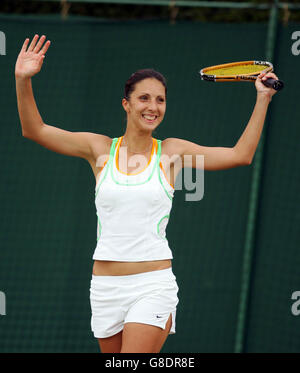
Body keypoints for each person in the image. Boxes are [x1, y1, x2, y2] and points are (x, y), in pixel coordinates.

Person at [15, 35, 278, 353]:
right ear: (126, 104)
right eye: (144, 99)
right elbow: (35, 129)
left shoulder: (173, 153)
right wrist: (22, 79)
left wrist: (262, 98)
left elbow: (240, 154)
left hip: (152, 286)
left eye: (160, 100)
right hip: (104, 287)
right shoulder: (98, 149)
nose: (153, 107)